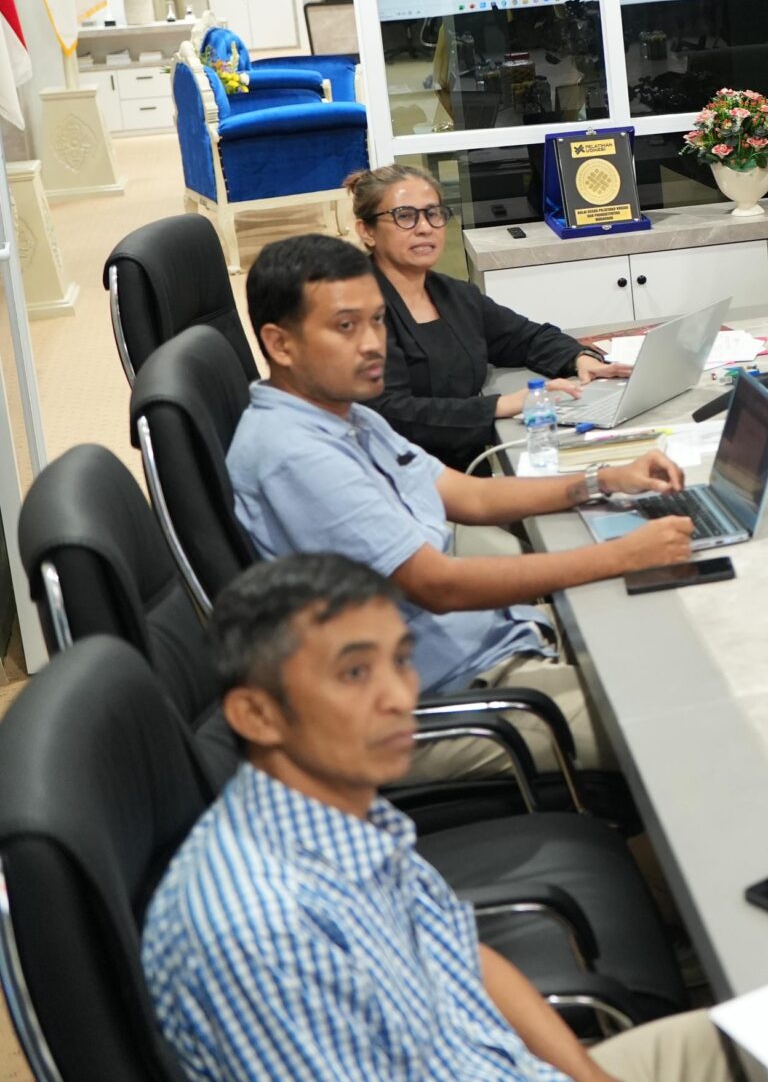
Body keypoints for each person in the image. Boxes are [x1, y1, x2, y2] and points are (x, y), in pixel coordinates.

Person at [144, 555, 735, 1082]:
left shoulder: (342, 811)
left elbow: (464, 957)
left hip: (514, 1066)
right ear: (256, 715)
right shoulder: (259, 932)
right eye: (355, 674)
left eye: (401, 661)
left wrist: (587, 1074)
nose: (400, 697)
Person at [228, 235, 694, 781]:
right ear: (280, 344)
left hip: (475, 648)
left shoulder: (344, 413)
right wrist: (622, 556)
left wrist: (601, 479)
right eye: (346, 326)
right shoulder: (295, 455)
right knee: (680, 719)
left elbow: (467, 495)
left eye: (377, 321)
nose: (373, 344)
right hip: (428, 705)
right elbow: (439, 586)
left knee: (671, 645)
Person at [347, 163, 631, 472]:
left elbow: (525, 338)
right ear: (367, 231)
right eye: (404, 216)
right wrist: (500, 405)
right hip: (399, 479)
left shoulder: (455, 295)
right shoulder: (355, 310)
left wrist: (580, 358)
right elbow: (386, 412)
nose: (424, 227)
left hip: (467, 471)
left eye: (433, 213)